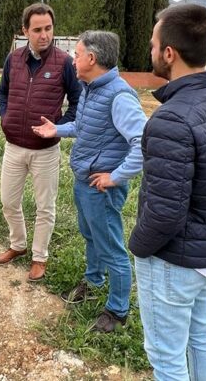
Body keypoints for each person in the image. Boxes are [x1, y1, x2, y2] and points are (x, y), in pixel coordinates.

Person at [129, 4, 206, 380]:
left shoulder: (171, 119)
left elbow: (165, 212)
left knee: (166, 358)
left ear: (169, 53)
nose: (150, 51)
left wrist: (138, 246)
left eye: (153, 44)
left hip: (174, 259)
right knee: (200, 333)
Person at [32, 30, 147, 333]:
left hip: (101, 187)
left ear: (92, 59)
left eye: (77, 54)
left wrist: (116, 177)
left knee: (111, 247)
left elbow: (142, 142)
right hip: (85, 181)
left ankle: (118, 309)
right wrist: (56, 129)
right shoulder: (90, 88)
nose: (73, 59)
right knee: (91, 235)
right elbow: (85, 126)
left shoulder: (119, 96)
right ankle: (93, 280)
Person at [0, 3, 81, 281]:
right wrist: (4, 117)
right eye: (37, 30)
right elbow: (3, 93)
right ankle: (17, 245)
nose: (44, 35)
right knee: (8, 201)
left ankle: (39, 257)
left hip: (46, 151)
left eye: (48, 28)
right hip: (14, 146)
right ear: (25, 31)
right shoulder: (14, 59)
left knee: (45, 206)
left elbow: (78, 102)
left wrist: (59, 127)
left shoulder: (64, 62)